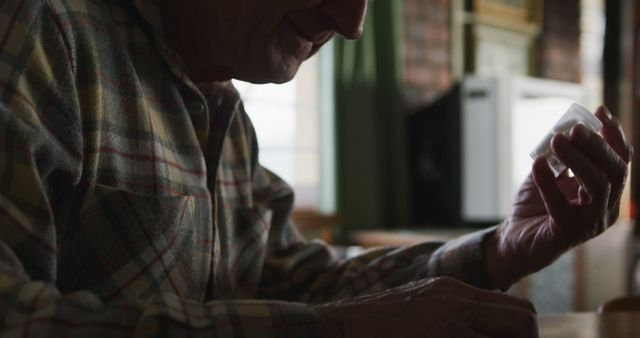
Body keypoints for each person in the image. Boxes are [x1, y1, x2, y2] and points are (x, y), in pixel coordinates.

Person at [0, 0, 630, 337]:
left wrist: (502, 249)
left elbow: (294, 284)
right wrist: (338, 333)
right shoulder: (40, 31)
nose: (351, 22)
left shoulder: (225, 111)